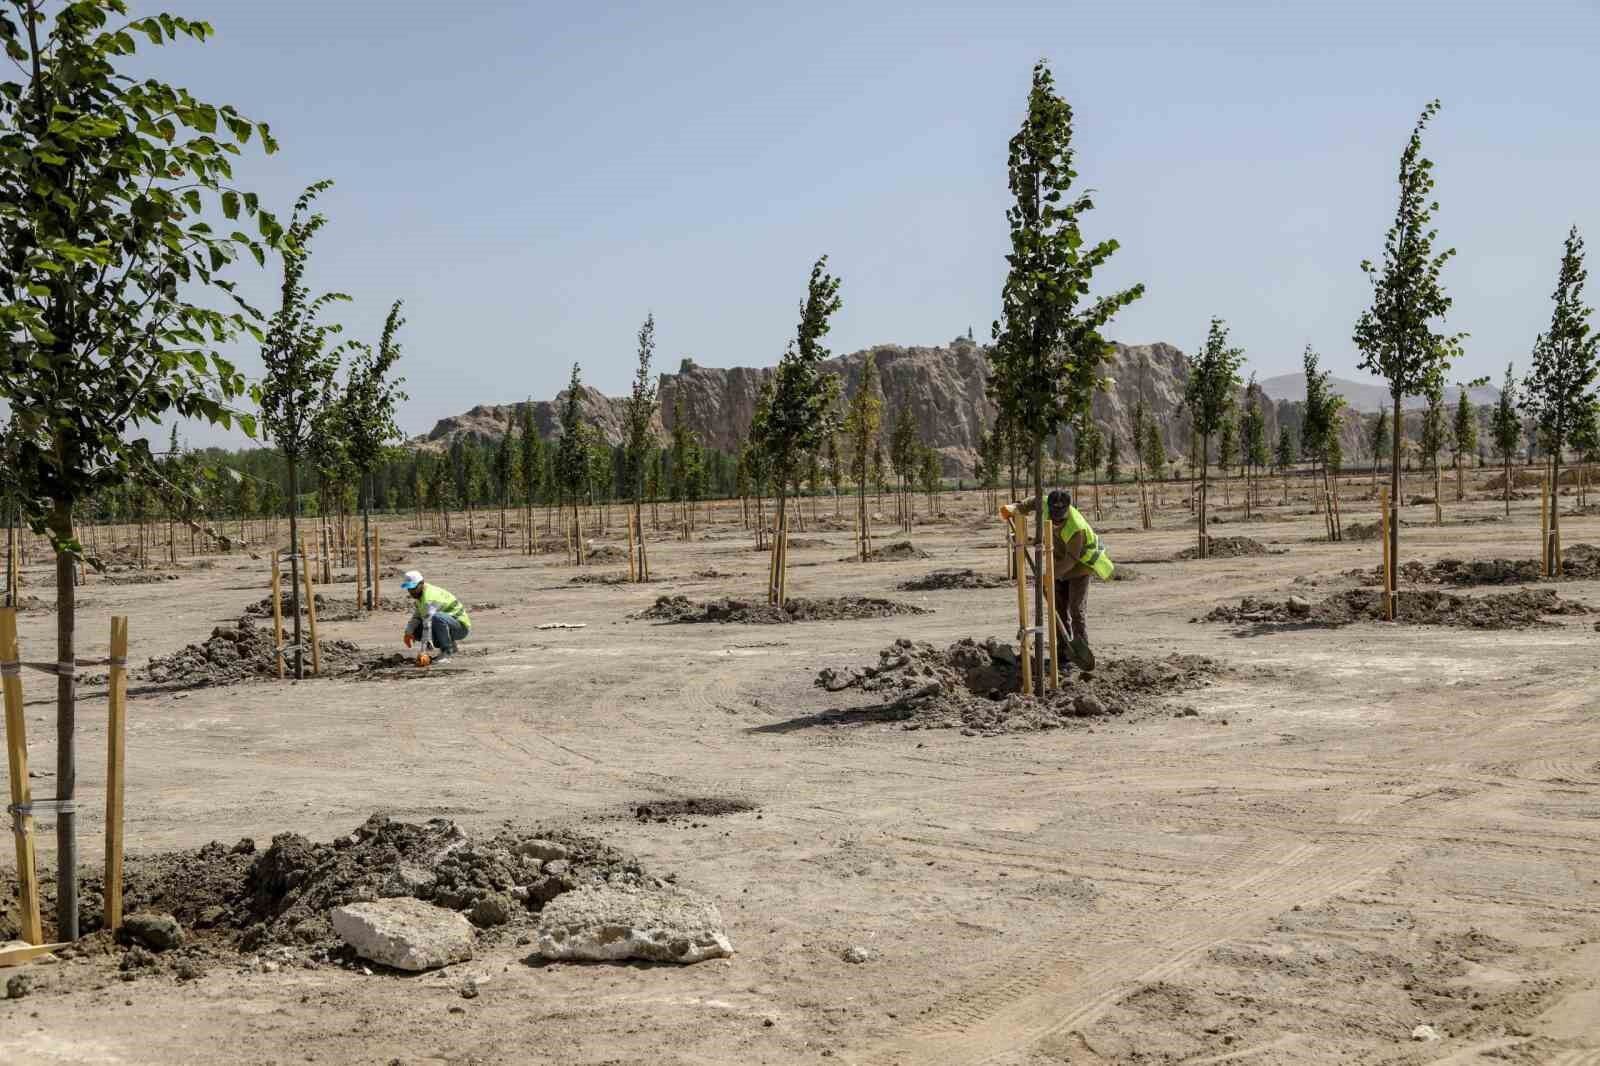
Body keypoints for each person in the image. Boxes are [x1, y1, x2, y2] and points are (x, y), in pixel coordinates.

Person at [999, 489, 1114, 672]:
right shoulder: (1045, 503)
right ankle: (1062, 654)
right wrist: (1015, 508)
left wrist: (1048, 576)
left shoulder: (1076, 527)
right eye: (1054, 516)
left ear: (1067, 509)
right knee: (1057, 610)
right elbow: (1032, 502)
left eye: (1060, 517)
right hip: (1058, 562)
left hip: (1080, 566)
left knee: (1076, 610)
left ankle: (1079, 650)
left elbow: (1071, 559)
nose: (1057, 521)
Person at [400, 569, 472, 663]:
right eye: (409, 589)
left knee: (436, 618)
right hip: (448, 624)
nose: (411, 591)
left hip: (461, 627)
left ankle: (447, 652)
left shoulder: (430, 598)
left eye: (413, 588)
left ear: (421, 583)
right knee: (416, 630)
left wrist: (423, 651)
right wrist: (408, 632)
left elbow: (427, 624)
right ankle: (451, 645)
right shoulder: (420, 595)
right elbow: (417, 616)